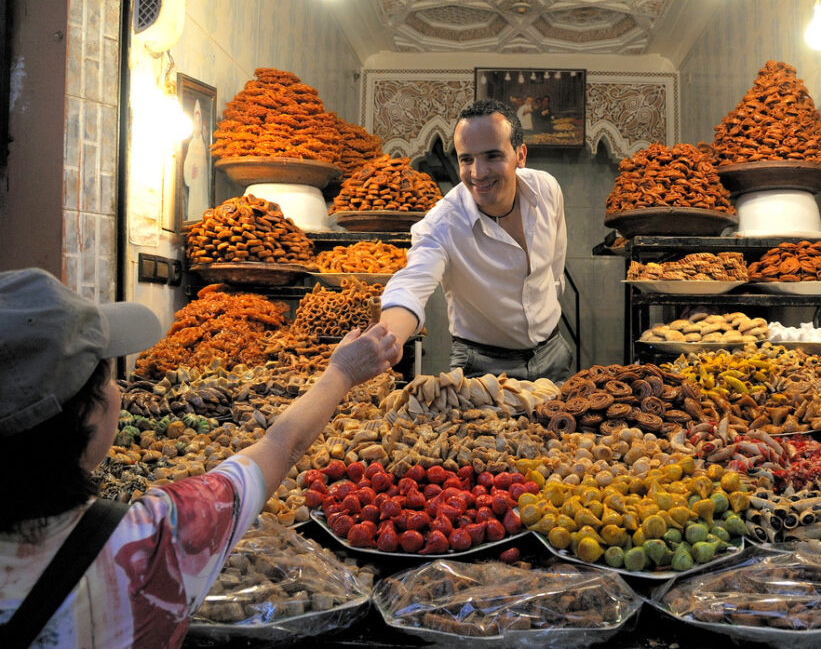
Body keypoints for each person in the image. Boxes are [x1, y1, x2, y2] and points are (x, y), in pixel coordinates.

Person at [0, 268, 400, 647]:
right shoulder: (149, 540)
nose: (119, 389)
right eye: (107, 377)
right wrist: (342, 373)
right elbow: (282, 446)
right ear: (85, 417)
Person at [378, 99, 573, 383]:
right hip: (482, 366)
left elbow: (556, 267)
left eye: (492, 156)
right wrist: (386, 341)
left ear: (520, 155)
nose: (477, 173)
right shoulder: (442, 223)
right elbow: (410, 285)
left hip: (553, 354)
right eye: (466, 159)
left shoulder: (547, 190)